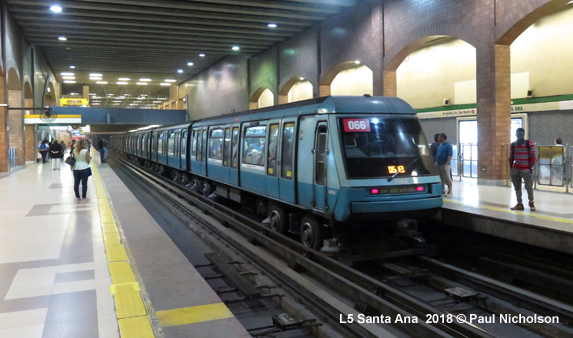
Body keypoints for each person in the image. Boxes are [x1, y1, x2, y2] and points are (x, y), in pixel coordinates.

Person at [509, 128, 536, 211]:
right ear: (516, 134)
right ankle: (519, 203)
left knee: (528, 186)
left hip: (526, 169)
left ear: (523, 134)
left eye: (521, 134)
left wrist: (530, 166)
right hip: (515, 169)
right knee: (517, 187)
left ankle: (531, 202)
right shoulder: (513, 145)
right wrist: (511, 168)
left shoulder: (529, 143)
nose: (519, 135)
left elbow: (533, 156)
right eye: (518, 134)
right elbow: (511, 157)